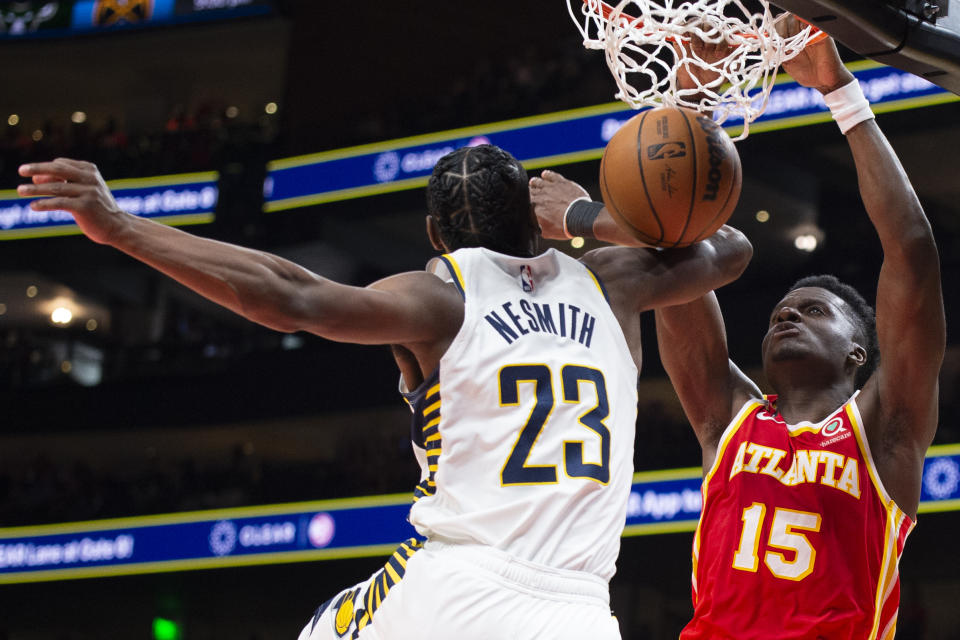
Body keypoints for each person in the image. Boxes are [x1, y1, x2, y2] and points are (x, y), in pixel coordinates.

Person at [18, 144, 751, 639]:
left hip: (458, 588)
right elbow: (728, 249)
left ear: (436, 235)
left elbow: (289, 294)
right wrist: (585, 217)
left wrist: (119, 227)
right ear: (538, 217)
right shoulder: (616, 281)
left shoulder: (444, 298)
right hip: (580, 610)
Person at [529, 33, 944, 639]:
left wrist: (841, 93)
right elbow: (675, 245)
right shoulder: (729, 418)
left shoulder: (885, 430)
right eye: (782, 310)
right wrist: (691, 103)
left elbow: (912, 254)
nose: (788, 316)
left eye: (814, 312)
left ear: (860, 352)